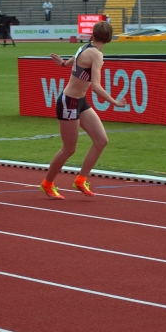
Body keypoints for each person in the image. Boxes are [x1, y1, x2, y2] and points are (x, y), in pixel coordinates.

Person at [40, 22, 125, 199]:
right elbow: (95, 86)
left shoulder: (84, 47)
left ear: (92, 36)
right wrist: (114, 102)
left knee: (101, 140)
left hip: (80, 101)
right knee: (69, 149)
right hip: (69, 102)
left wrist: (62, 63)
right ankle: (47, 183)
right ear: (109, 38)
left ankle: (81, 179)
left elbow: (70, 63)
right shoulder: (97, 55)